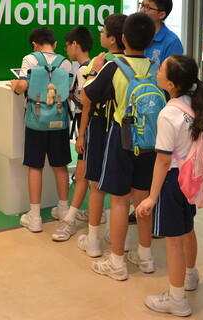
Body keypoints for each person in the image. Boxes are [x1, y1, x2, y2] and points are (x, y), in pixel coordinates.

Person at [136, 54, 203, 317]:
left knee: (173, 242)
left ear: (172, 84)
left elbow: (163, 161)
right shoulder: (198, 103)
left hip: (174, 181)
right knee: (187, 228)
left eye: (161, 69)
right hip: (192, 179)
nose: (157, 71)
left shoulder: (169, 113)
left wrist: (151, 197)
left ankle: (177, 300)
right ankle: (190, 275)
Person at [81, 12, 158, 281]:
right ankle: (146, 257)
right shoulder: (156, 68)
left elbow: (86, 96)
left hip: (121, 136)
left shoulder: (114, 67)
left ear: (123, 38)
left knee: (119, 201)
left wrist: (93, 71)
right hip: (149, 141)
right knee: (143, 200)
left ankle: (116, 262)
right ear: (151, 40)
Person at [9, 27, 74, 233]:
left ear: (34, 44)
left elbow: (22, 86)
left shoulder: (30, 59)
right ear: (55, 44)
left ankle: (35, 216)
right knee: (60, 165)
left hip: (36, 120)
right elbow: (69, 90)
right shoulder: (65, 62)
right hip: (59, 119)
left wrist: (15, 86)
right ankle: (63, 209)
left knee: (35, 166)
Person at [76, 13, 126, 256]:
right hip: (125, 130)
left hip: (101, 126)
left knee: (96, 184)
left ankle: (93, 240)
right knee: (122, 190)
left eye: (103, 31)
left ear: (114, 39)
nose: (100, 34)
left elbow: (85, 98)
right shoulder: (136, 63)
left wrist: (92, 72)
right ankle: (123, 241)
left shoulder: (102, 63)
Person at [52, 25, 94, 242]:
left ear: (75, 45)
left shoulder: (83, 71)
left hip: (86, 126)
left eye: (67, 45)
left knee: (81, 173)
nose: (67, 50)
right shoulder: (93, 67)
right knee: (86, 174)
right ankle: (96, 212)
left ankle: (69, 220)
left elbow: (85, 104)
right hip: (91, 127)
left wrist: (82, 135)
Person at [140, 0, 183, 66]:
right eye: (142, 5)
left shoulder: (172, 42)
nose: (142, 10)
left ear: (161, 14)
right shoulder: (136, 34)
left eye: (147, 7)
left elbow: (173, 72)